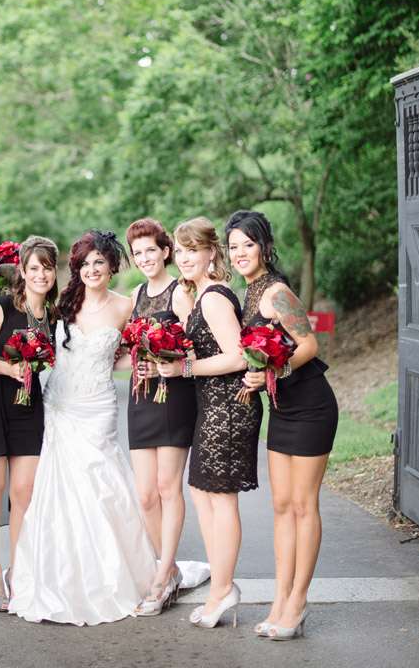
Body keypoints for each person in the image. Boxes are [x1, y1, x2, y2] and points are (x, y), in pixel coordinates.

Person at [9, 230, 157, 626]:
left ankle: (111, 574)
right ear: (77, 268)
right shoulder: (63, 304)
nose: (92, 269)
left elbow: (126, 354)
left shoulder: (125, 306)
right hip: (60, 404)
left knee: (101, 483)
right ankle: (59, 576)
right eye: (85, 263)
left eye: (99, 262)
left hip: (98, 406)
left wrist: (139, 363)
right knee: (59, 488)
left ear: (111, 266)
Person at [226, 209, 338, 641]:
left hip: (311, 406)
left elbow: (309, 344)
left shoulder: (277, 292)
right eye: (233, 246)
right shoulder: (248, 293)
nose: (240, 253)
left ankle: (298, 602)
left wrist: (274, 372)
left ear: (264, 247)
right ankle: (279, 599)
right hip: (282, 410)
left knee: (304, 506)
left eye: (247, 244)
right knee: (281, 507)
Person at [157, 216, 261, 629]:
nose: (184, 258)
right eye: (180, 251)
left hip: (230, 407)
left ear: (211, 253)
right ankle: (220, 587)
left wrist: (184, 367)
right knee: (202, 494)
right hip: (212, 406)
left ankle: (223, 590)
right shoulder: (198, 294)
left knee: (221, 499)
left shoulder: (215, 297)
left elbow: (238, 357)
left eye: (193, 250)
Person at [0, 235, 59, 611]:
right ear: (21, 271)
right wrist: (9, 369)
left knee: (24, 493)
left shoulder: (53, 316)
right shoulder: (2, 307)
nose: (41, 275)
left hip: (29, 407)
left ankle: (17, 572)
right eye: (34, 268)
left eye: (47, 268)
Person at [124, 217, 196, 615]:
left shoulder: (180, 293)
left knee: (168, 488)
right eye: (137, 253)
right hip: (140, 399)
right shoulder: (135, 294)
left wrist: (168, 363)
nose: (144, 258)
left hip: (173, 398)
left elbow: (195, 348)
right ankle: (169, 569)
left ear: (166, 251)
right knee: (145, 495)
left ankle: (163, 574)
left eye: (150, 250)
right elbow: (126, 350)